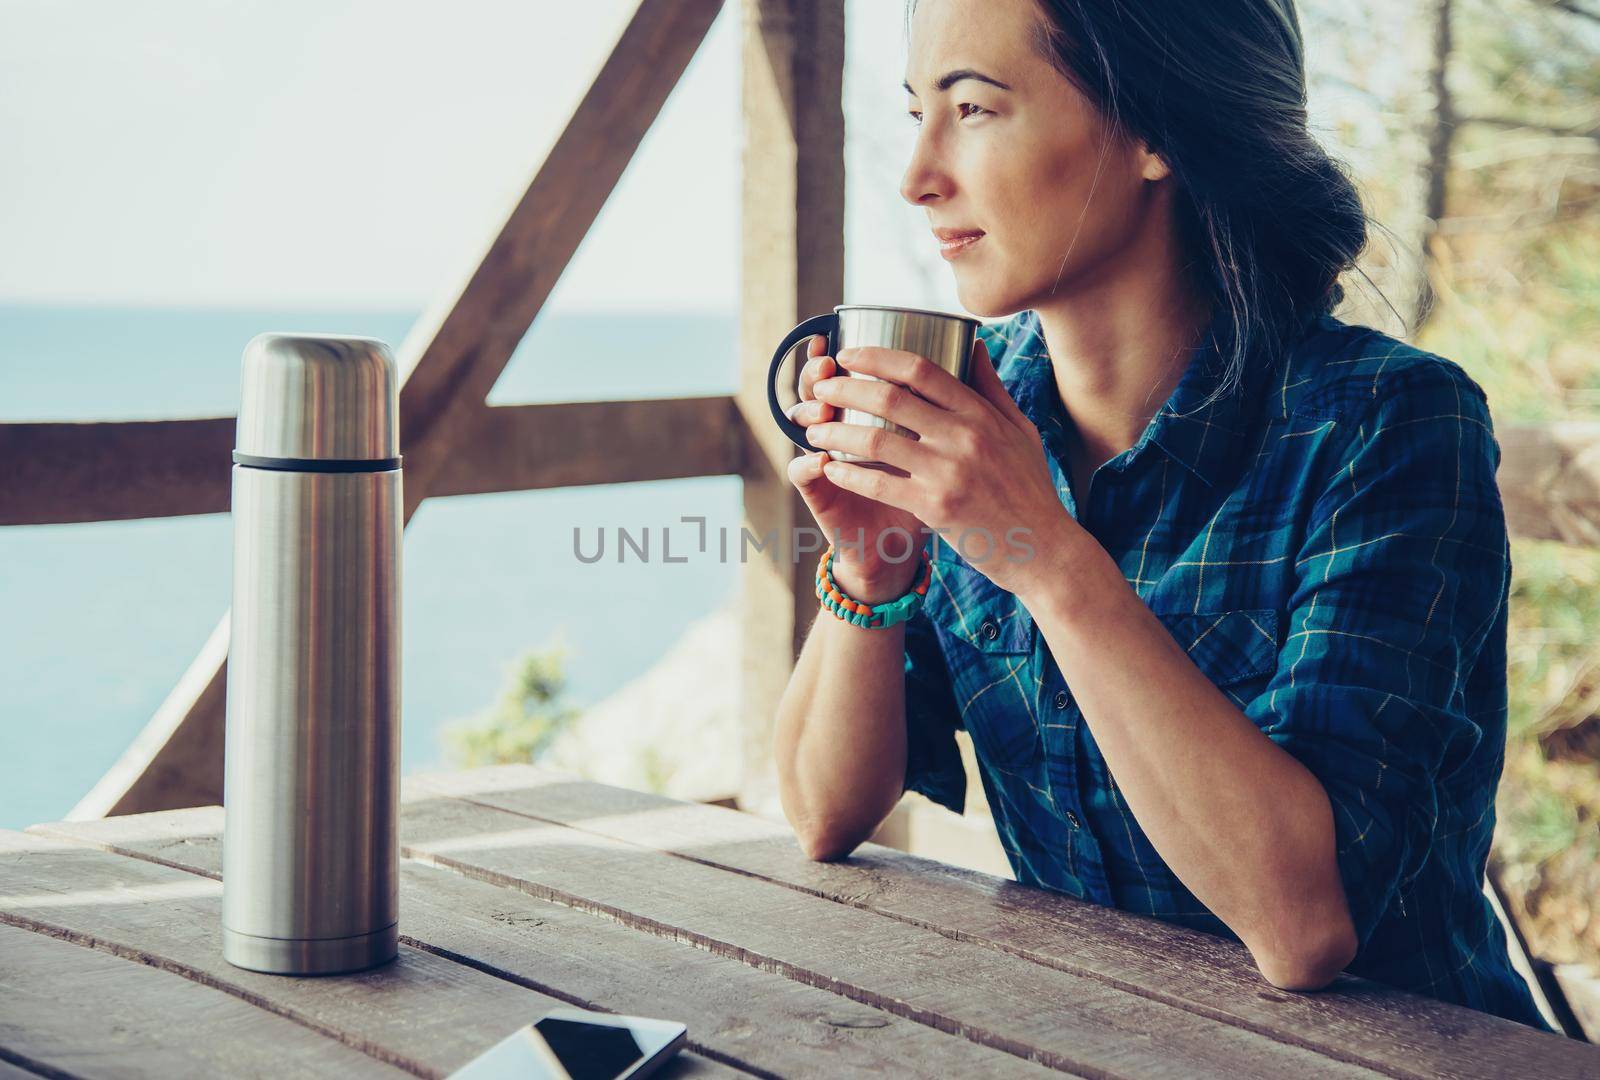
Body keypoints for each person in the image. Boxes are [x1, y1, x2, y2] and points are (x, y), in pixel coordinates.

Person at [771, 0, 1553, 1030]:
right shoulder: (980, 419)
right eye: (918, 111)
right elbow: (823, 813)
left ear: (1150, 131)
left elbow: (1305, 928)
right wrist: (870, 574)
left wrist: (1048, 557)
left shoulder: (1384, 423)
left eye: (973, 109)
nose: (917, 175)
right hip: (1099, 1042)